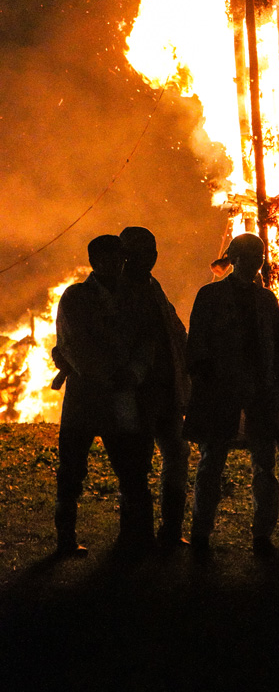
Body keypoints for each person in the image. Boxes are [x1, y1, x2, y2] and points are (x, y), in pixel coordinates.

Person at [52, 234, 153, 557]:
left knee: (131, 470)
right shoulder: (75, 297)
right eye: (109, 258)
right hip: (85, 395)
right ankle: (65, 539)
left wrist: (133, 373)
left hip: (120, 395)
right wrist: (111, 375)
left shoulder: (133, 297)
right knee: (71, 472)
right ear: (94, 262)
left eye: (119, 259)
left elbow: (146, 341)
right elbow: (73, 345)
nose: (117, 264)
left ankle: (133, 537)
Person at [184, 233, 279, 557]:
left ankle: (262, 535)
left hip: (259, 391)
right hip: (220, 391)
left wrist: (275, 384)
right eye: (247, 257)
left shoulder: (266, 301)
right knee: (211, 462)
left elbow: (277, 346)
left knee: (264, 466)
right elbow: (197, 346)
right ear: (234, 259)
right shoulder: (211, 296)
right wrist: (204, 384)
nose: (254, 263)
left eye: (258, 257)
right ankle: (201, 531)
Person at [119, 226, 190, 551]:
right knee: (137, 461)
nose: (145, 259)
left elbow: (173, 330)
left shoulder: (152, 286)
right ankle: (137, 533)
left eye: (148, 252)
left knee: (176, 454)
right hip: (138, 393)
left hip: (165, 389)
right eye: (137, 253)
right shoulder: (120, 292)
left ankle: (169, 530)